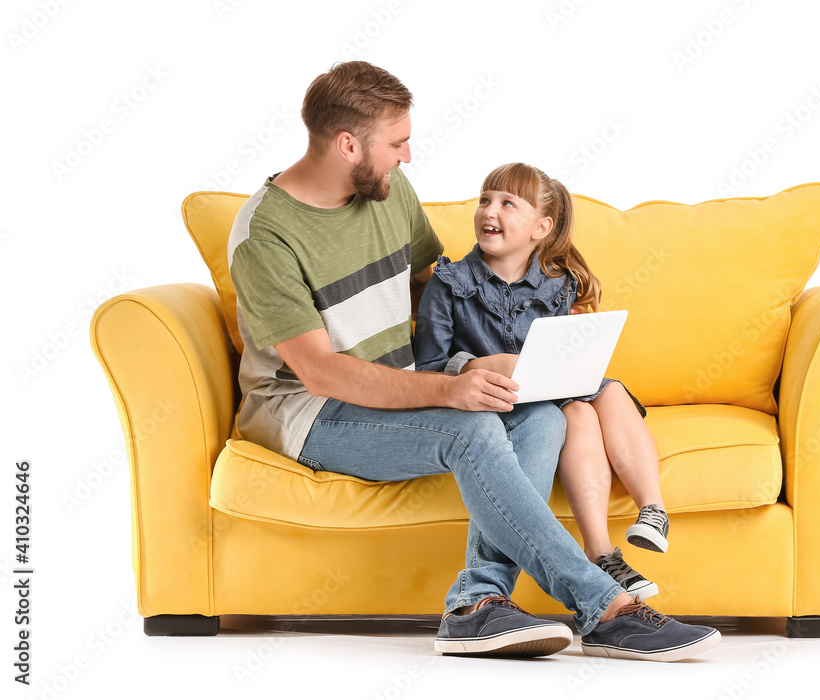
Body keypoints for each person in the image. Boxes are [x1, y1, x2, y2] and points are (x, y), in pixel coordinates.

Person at [228, 60, 720, 662]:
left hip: (397, 385)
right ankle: (607, 608)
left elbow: (436, 290)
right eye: (397, 143)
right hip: (310, 411)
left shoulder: (385, 190)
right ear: (347, 143)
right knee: (473, 428)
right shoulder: (266, 234)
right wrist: (448, 392)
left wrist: (467, 366)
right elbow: (321, 373)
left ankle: (476, 605)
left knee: (541, 417)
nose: (407, 156)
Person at [413, 162, 671, 602]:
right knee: (574, 413)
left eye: (507, 203)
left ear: (541, 227)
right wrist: (479, 365)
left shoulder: (559, 284)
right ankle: (602, 552)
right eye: (484, 200)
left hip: (549, 394)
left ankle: (650, 513)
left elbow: (562, 362)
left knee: (593, 401)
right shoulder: (449, 283)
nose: (488, 210)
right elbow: (429, 369)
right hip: (496, 400)